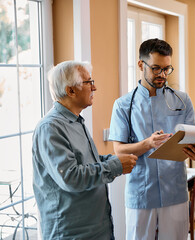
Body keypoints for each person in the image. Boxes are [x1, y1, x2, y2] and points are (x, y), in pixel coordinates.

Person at [109, 38, 195, 240]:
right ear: (140, 65)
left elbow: (192, 143)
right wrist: (147, 144)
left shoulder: (182, 100)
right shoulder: (123, 105)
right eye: (156, 69)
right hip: (141, 193)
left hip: (175, 192)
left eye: (166, 69)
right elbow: (118, 150)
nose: (162, 75)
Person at [32, 61, 138, 239]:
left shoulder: (76, 121)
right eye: (89, 82)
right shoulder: (50, 128)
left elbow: (88, 162)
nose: (94, 87)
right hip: (71, 232)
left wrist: (117, 159)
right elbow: (71, 178)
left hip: (96, 228)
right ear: (70, 91)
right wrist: (115, 166)